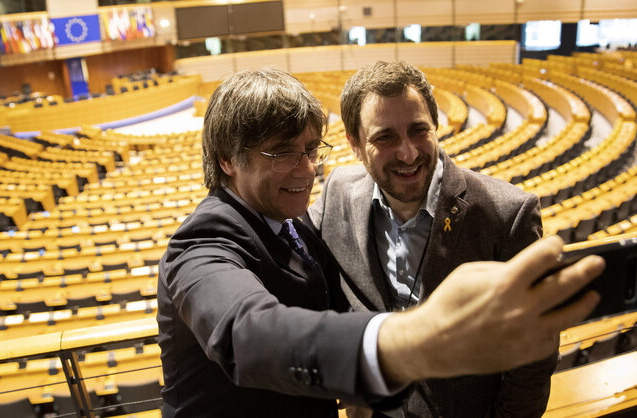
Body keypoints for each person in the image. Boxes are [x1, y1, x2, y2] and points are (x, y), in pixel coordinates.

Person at [157, 68, 603, 418]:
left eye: (312, 150)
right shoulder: (200, 243)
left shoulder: (291, 218)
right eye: (283, 153)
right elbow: (247, 333)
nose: (308, 169)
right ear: (227, 160)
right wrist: (414, 341)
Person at [306, 61, 556, 417]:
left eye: (419, 131)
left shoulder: (507, 214)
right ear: (355, 145)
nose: (408, 153)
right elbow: (286, 252)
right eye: (385, 137)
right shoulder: (337, 193)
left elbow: (535, 353)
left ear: (436, 127)